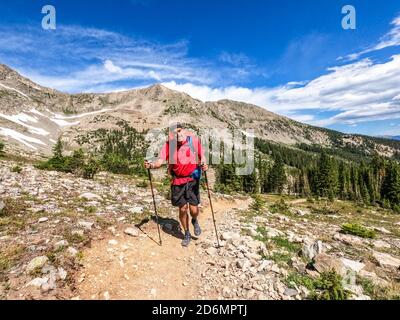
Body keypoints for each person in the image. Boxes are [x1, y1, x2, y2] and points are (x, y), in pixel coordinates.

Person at [144, 123, 208, 247]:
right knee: (183, 208)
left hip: (192, 180)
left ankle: (194, 220)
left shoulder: (193, 141)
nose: (178, 134)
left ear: (183, 130)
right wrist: (151, 165)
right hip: (178, 180)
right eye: (175, 133)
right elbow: (160, 161)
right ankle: (187, 233)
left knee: (194, 210)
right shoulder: (169, 145)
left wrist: (204, 164)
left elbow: (202, 156)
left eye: (179, 131)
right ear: (171, 135)